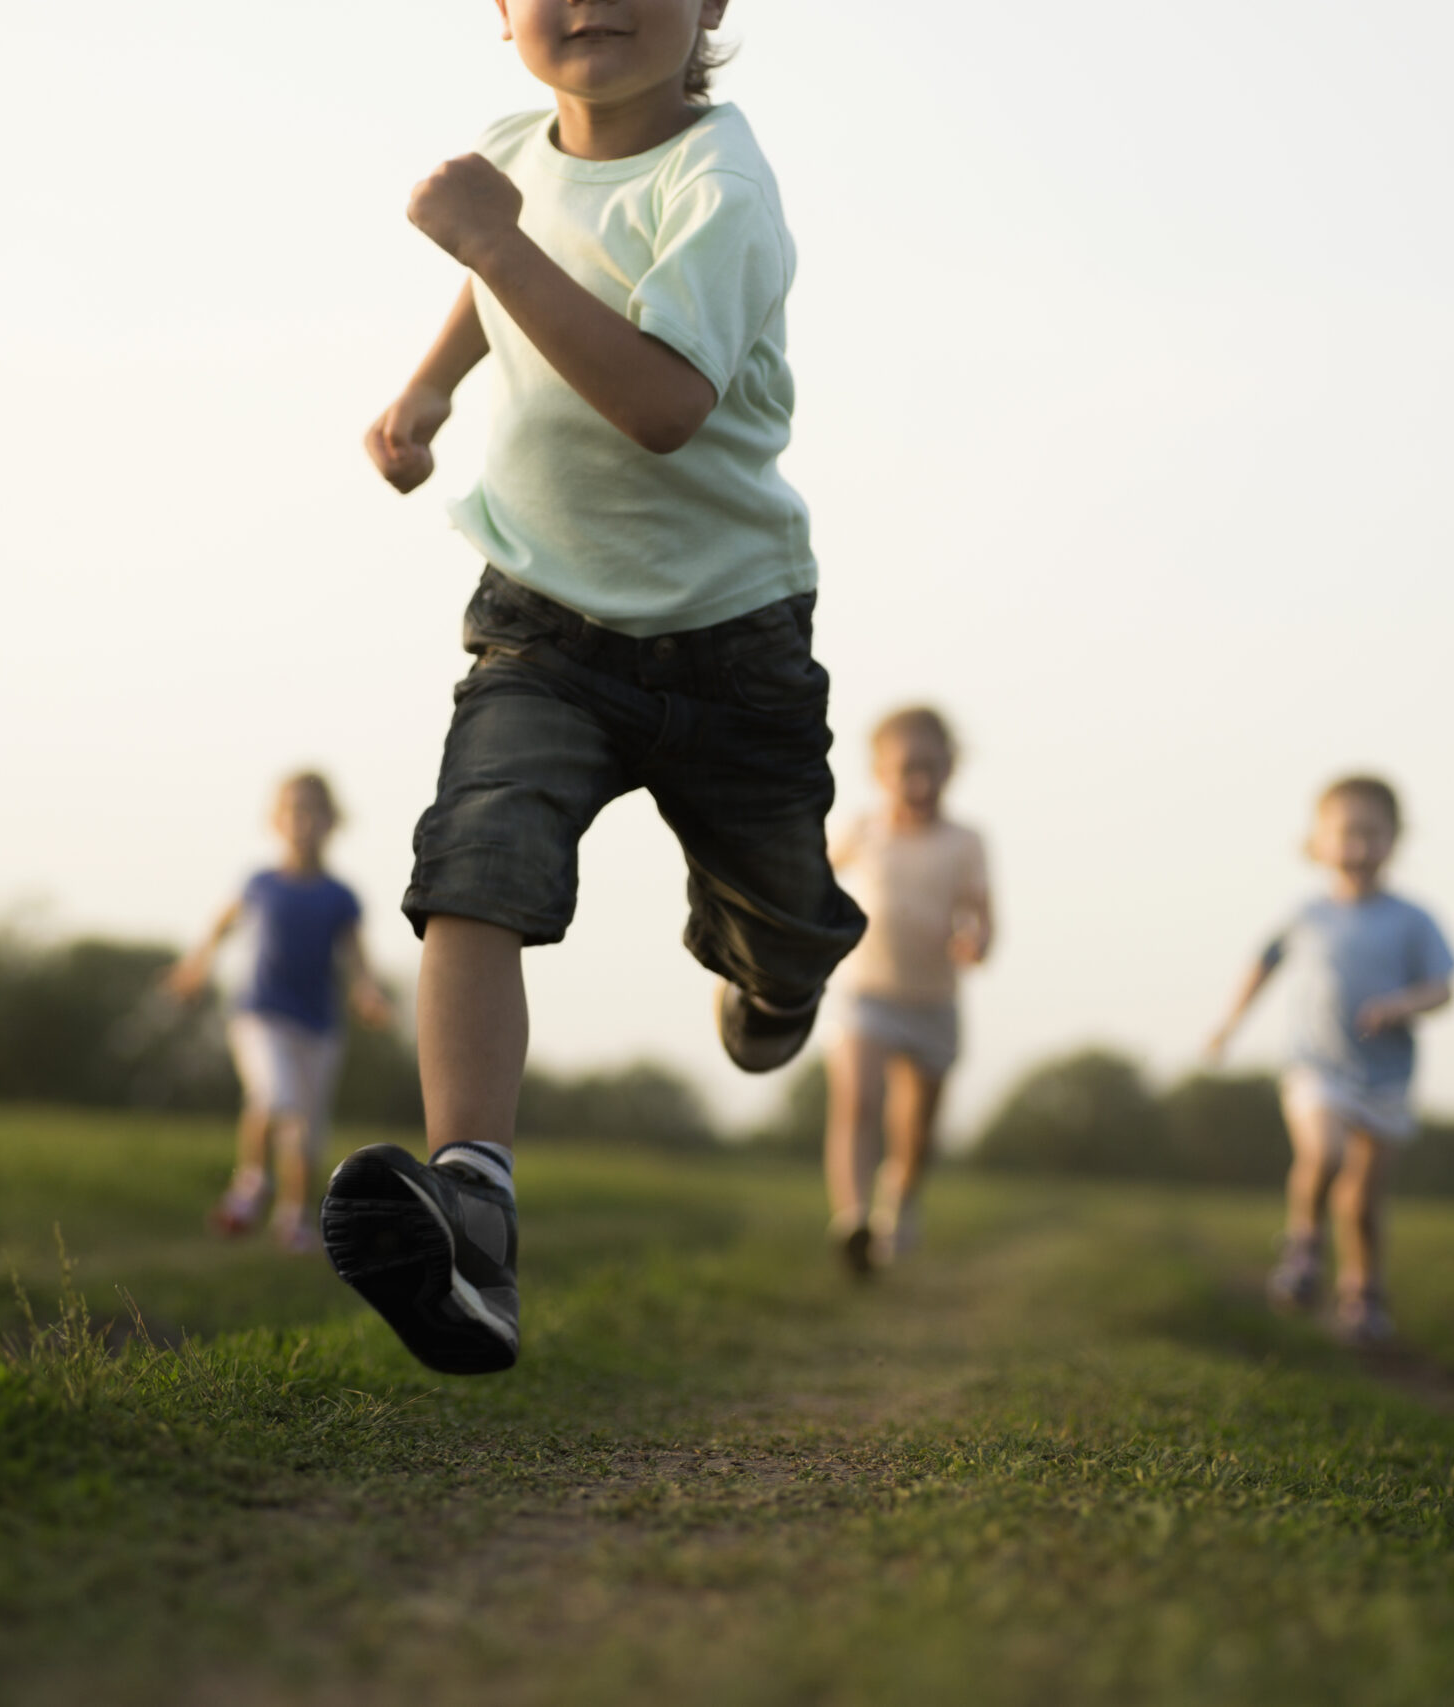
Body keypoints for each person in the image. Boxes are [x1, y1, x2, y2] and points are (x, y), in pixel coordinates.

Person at [323, 0, 864, 1375]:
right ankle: (474, 1205)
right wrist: (429, 390)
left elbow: (663, 405)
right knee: (476, 863)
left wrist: (494, 238)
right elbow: (496, 279)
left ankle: (774, 971)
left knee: (785, 920)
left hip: (731, 646)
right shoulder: (517, 152)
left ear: (711, 10)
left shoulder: (719, 186)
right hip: (543, 622)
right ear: (499, 15)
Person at [1204, 775, 1454, 1345]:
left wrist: (1402, 1003)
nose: (1359, 848)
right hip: (1315, 1065)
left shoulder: (1412, 919)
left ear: (1396, 841)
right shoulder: (1307, 915)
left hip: (1387, 1076)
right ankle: (1303, 1247)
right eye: (1346, 834)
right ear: (1316, 842)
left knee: (1364, 1202)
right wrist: (1228, 1026)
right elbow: (1262, 965)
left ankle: (1363, 1294)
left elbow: (1444, 987)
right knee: (1325, 1152)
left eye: (1373, 834)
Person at [168, 773, 393, 1253]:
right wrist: (194, 967)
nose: (302, 820)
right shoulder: (259, 883)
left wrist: (368, 993)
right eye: (293, 810)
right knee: (274, 1096)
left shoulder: (340, 895)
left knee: (306, 1131)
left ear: (333, 822)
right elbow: (220, 927)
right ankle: (250, 1188)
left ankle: (293, 1221)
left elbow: (356, 958)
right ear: (275, 821)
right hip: (260, 1014)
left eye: (313, 810)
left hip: (319, 1025)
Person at [823, 707, 992, 1276]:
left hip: (933, 1004)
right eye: (905, 769)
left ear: (951, 769)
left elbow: (981, 915)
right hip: (868, 993)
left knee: (915, 1135)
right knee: (857, 1103)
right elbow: (814, 878)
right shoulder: (863, 831)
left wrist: (976, 941)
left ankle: (902, 1197)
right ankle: (853, 1220)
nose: (918, 782)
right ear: (878, 773)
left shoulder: (964, 842)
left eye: (931, 768)